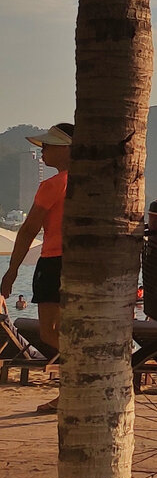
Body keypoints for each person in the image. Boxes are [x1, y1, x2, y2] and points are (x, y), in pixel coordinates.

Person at [1, 123, 72, 414]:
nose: (43, 150)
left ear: (67, 149)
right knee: (69, 330)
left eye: (49, 145)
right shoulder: (93, 183)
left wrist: (12, 270)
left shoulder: (54, 185)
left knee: (50, 331)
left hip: (54, 261)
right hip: (82, 264)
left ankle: (71, 388)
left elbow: (29, 228)